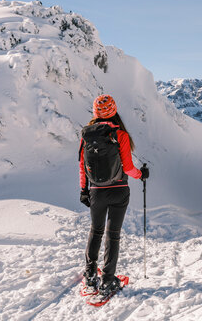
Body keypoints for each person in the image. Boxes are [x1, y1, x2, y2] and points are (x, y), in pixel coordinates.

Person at [79, 94, 149, 297]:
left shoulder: (86, 135)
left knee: (96, 231)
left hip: (96, 192)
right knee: (113, 234)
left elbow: (82, 167)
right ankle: (108, 280)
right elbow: (128, 168)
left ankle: (90, 276)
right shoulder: (120, 135)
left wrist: (84, 190)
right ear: (114, 110)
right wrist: (141, 175)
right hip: (119, 190)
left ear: (95, 112)